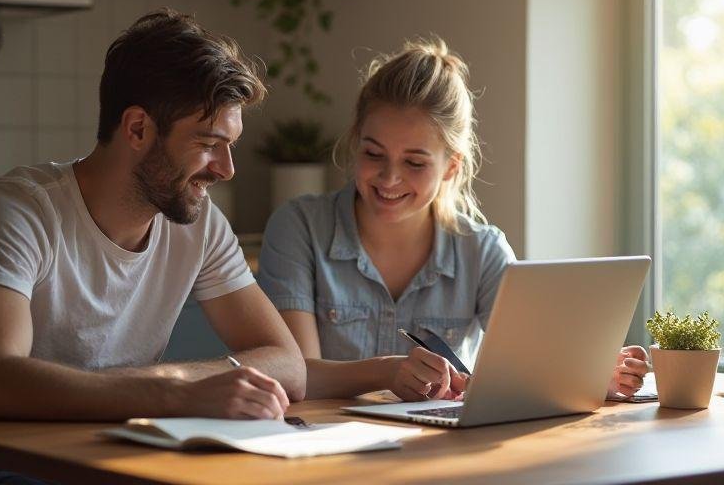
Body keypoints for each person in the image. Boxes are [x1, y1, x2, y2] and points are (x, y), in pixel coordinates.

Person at [0, 10, 306, 483]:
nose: (226, 169)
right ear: (137, 128)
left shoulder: (199, 224)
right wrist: (178, 392)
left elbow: (287, 364)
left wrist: (175, 391)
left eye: (231, 146)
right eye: (208, 143)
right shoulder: (18, 210)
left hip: (110, 453)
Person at [257, 37, 648, 402]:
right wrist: (384, 372)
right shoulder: (299, 227)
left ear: (450, 167)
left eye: (414, 162)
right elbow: (297, 375)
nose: (389, 178)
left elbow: (533, 364)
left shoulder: (481, 248)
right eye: (373, 154)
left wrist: (594, 373)